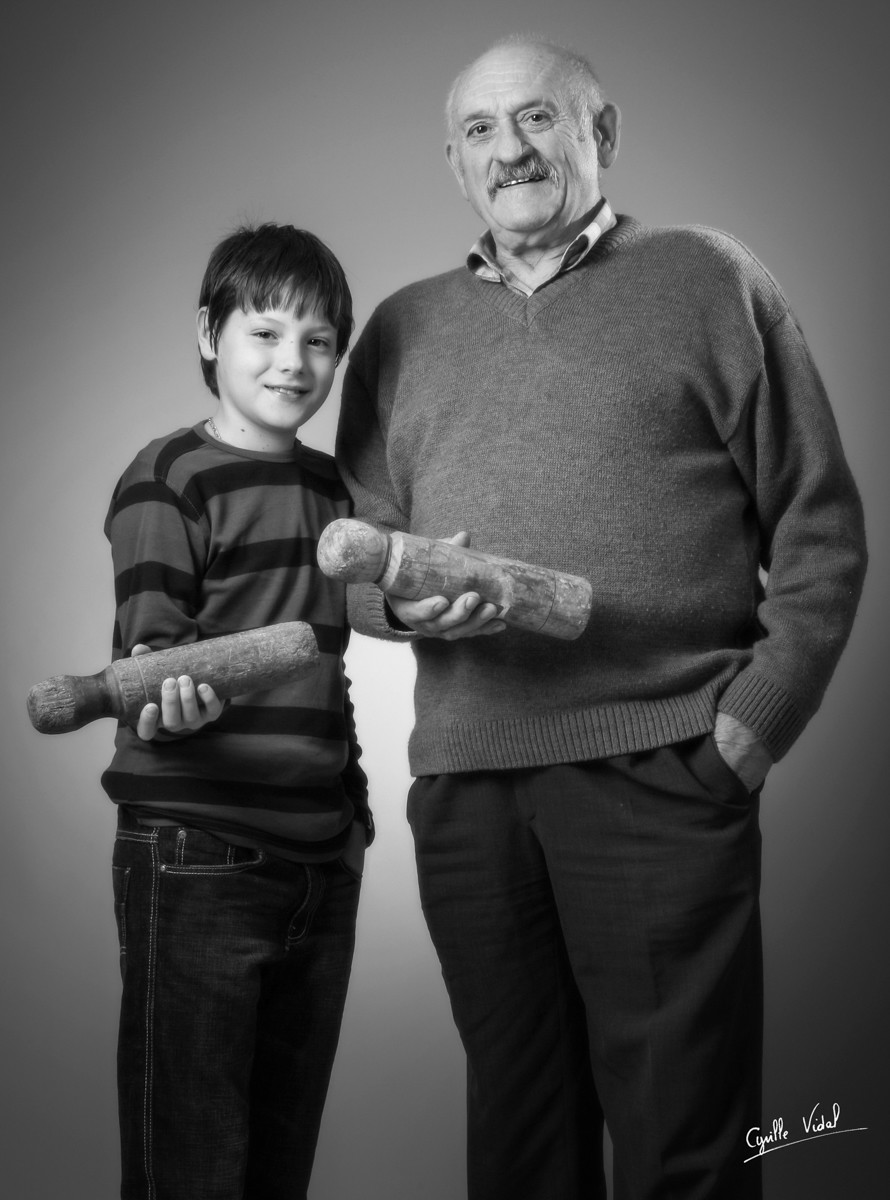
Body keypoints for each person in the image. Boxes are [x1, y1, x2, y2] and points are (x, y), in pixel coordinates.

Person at [336, 35, 867, 1200]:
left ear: (600, 133)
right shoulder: (397, 330)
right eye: (480, 131)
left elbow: (820, 527)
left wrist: (746, 729)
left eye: (537, 119)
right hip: (469, 788)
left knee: (685, 1143)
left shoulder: (708, 279)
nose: (510, 149)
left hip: (661, 765)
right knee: (520, 1144)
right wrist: (397, 596)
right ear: (451, 162)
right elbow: (356, 559)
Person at [103, 222, 371, 1200]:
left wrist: (351, 822)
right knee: (193, 1166)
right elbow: (151, 649)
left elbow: (330, 668)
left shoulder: (336, 490)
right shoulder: (170, 478)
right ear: (210, 336)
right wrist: (159, 701)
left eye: (316, 341)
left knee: (273, 1165)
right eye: (264, 333)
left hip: (317, 864)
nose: (291, 362)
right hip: (199, 854)